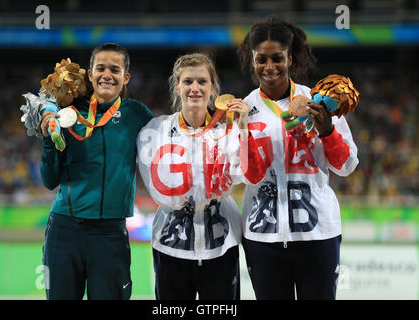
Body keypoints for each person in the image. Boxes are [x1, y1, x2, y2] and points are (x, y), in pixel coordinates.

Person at [237, 17, 359, 300]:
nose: (269, 67)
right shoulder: (243, 110)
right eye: (261, 59)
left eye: (277, 58)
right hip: (262, 237)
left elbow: (346, 166)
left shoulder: (317, 100)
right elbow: (247, 175)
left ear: (290, 58)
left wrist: (327, 130)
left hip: (318, 234)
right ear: (252, 61)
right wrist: (242, 133)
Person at [136, 53, 265, 300]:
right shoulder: (156, 130)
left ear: (213, 87)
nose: (195, 88)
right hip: (170, 245)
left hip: (220, 245)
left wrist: (245, 129)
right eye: (188, 82)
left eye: (202, 82)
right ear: (177, 86)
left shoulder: (229, 131)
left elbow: (249, 176)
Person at [40, 43, 154, 299]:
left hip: (110, 233)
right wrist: (49, 138)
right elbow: (49, 180)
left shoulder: (137, 114)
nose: (107, 75)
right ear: (89, 74)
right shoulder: (69, 114)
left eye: (115, 69)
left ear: (125, 77)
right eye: (100, 68)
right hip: (65, 229)